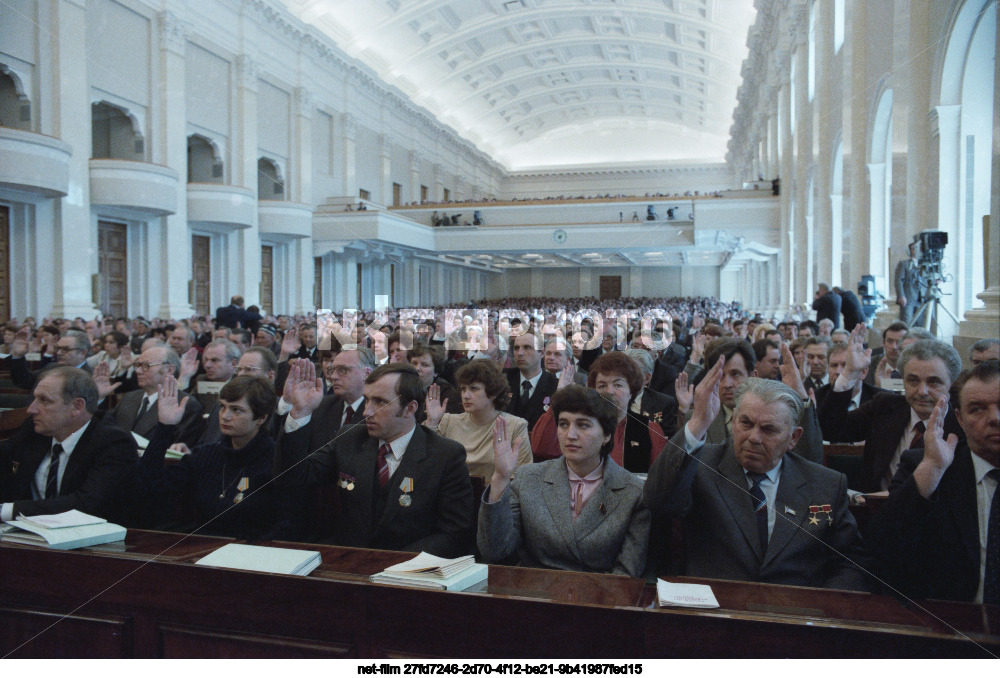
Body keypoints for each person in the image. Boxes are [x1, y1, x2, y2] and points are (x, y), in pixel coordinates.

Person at [642, 361, 868, 590]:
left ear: (793, 438)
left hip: (793, 613)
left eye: (768, 429)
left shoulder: (825, 485)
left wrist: (825, 609)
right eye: (746, 423)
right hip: (716, 610)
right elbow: (658, 501)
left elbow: (850, 562)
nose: (754, 437)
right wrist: (697, 425)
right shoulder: (700, 465)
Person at [276, 362, 473, 557]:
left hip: (409, 572)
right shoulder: (350, 438)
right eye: (367, 400)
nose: (366, 412)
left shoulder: (445, 455)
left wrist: (392, 564)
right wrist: (300, 412)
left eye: (379, 402)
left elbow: (453, 534)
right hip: (349, 563)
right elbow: (293, 477)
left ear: (410, 408)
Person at [478, 385, 649, 577]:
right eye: (563, 424)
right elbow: (495, 551)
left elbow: (627, 573)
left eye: (583, 425)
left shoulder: (632, 491)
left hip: (599, 598)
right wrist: (500, 478)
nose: (570, 435)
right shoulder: (529, 478)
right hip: (536, 594)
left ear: (606, 435)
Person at [871, 360, 1000, 602]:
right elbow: (883, 552)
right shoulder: (928, 466)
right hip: (950, 625)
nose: (995, 418)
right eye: (978, 409)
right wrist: (932, 469)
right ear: (959, 419)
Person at [135, 374, 292, 539]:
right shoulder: (205, 455)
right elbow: (149, 488)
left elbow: (286, 526)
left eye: (236, 409)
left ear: (261, 418)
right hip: (203, 549)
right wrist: (165, 427)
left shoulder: (277, 461)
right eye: (222, 407)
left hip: (252, 555)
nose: (225, 416)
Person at [818, 325, 965, 492]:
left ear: (951, 384)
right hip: (874, 511)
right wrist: (850, 373)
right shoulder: (885, 407)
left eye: (934, 382)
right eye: (913, 381)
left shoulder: (962, 427)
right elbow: (831, 428)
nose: (922, 391)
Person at [0, 367, 137, 522]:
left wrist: (7, 510)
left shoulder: (114, 443)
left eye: (45, 400)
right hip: (28, 535)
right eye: (35, 399)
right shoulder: (34, 430)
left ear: (77, 406)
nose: (31, 409)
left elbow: (86, 505)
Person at [425, 358, 532, 480]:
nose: (465, 395)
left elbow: (523, 476)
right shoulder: (448, 421)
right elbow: (427, 463)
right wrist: (432, 422)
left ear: (493, 393)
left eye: (473, 389)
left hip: (496, 495)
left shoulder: (515, 425)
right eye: (463, 389)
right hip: (452, 493)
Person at [107, 346, 205, 448]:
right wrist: (98, 398)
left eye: (146, 365)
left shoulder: (185, 404)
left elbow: (178, 452)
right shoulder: (130, 397)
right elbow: (107, 429)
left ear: (169, 370)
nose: (138, 371)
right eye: (138, 365)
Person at [504, 331, 558, 432]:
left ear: (542, 353)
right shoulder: (503, 379)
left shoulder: (555, 386)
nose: (520, 353)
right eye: (516, 348)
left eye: (527, 347)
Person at [409, 342, 462, 415]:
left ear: (436, 372)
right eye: (414, 363)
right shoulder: (403, 386)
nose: (417, 368)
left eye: (425, 365)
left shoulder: (447, 394)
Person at [894, 242, 925, 324]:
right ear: (910, 251)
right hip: (908, 298)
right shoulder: (904, 264)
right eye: (913, 248)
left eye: (916, 248)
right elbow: (898, 280)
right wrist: (901, 295)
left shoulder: (923, 265)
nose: (915, 250)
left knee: (919, 323)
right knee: (906, 322)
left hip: (920, 298)